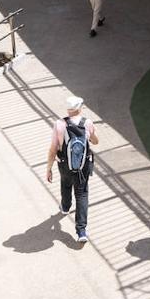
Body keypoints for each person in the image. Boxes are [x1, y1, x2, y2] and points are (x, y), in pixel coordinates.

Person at [45, 94, 99, 244]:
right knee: (82, 194)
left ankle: (65, 206)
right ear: (79, 108)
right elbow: (96, 140)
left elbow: (53, 149)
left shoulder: (59, 124)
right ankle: (81, 230)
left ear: (68, 109)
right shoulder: (87, 123)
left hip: (64, 163)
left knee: (66, 183)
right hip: (83, 166)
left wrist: (49, 168)